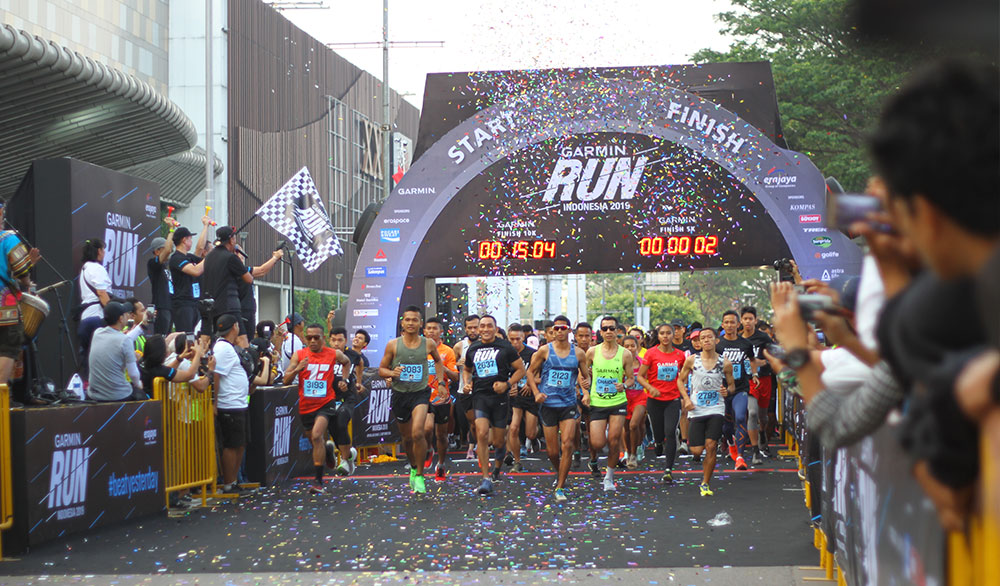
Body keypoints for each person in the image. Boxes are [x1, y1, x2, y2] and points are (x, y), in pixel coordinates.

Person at [379, 306, 445, 495]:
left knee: (418, 432)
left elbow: (438, 361)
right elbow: (381, 369)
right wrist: (392, 373)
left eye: (414, 320)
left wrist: (440, 382)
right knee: (407, 438)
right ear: (402, 322)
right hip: (400, 394)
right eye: (407, 320)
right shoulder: (393, 345)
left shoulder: (428, 344)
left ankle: (421, 476)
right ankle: (414, 466)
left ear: (420, 324)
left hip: (420, 393)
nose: (410, 323)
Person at [283, 323, 354, 493]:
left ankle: (318, 482)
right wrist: (297, 370)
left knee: (316, 436)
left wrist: (346, 380)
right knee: (315, 440)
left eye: (317, 337)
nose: (313, 341)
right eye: (309, 338)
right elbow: (286, 379)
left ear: (323, 338)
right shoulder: (299, 355)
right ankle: (328, 452)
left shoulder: (332, 353)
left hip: (326, 403)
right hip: (306, 405)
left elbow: (346, 362)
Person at [526, 315, 589, 502]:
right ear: (552, 331)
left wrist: (585, 392)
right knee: (553, 452)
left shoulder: (578, 354)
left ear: (569, 331)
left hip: (568, 404)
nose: (560, 331)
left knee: (567, 443)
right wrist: (536, 392)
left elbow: (585, 377)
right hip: (548, 404)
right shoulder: (544, 351)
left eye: (563, 328)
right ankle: (560, 470)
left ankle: (560, 486)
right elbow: (530, 372)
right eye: (556, 328)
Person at [462, 314, 525, 496]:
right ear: (479, 329)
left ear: (496, 329)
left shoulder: (505, 347)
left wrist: (507, 384)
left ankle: (497, 467)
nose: (485, 329)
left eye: (490, 326)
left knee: (498, 441)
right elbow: (467, 368)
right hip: (480, 395)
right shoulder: (473, 348)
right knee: (481, 433)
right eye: (482, 326)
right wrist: (467, 382)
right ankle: (485, 478)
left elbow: (521, 370)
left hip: (500, 398)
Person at [677, 328, 734, 496]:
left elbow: (731, 385)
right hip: (696, 408)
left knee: (711, 446)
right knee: (696, 450)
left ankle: (705, 483)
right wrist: (687, 399)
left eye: (710, 337)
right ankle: (699, 456)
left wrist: (727, 391)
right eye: (703, 338)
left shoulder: (725, 362)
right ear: (699, 343)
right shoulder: (691, 360)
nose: (707, 340)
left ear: (716, 340)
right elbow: (680, 381)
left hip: (716, 407)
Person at [585, 316, 635, 492]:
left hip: (617, 402)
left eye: (611, 328)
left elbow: (631, 378)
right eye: (605, 329)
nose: (608, 332)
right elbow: (582, 372)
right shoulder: (592, 352)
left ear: (617, 332)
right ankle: (604, 436)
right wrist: (585, 389)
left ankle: (609, 477)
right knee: (597, 443)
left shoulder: (625, 354)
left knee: (614, 441)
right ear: (600, 332)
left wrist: (624, 385)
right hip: (597, 402)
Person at [636, 323, 687, 483]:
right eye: (662, 333)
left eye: (668, 333)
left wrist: (683, 393)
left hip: (672, 399)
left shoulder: (680, 355)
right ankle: (658, 443)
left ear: (674, 335)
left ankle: (668, 469)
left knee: (670, 432)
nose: (665, 336)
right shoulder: (651, 354)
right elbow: (640, 376)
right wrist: (650, 388)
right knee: (659, 433)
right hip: (655, 400)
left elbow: (683, 376)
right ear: (658, 336)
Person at [213, 314, 253, 494]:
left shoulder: (228, 347)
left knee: (240, 443)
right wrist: (215, 402)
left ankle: (234, 480)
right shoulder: (222, 348)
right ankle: (229, 483)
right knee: (232, 444)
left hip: (239, 403)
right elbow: (216, 374)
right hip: (228, 404)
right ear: (234, 327)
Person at [0, 201, 37, 388]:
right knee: (7, 349)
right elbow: (22, 273)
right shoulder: (8, 238)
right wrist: (28, 273)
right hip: (4, 309)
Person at [716, 310, 756, 471]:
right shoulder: (718, 345)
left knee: (740, 417)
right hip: (722, 390)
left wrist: (755, 374)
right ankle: (731, 443)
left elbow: (751, 361)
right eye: (727, 322)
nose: (730, 325)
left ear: (738, 324)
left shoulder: (745, 344)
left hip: (740, 388)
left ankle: (740, 456)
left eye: (733, 322)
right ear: (723, 324)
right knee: (725, 426)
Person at [203, 226, 253, 347]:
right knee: (241, 340)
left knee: (212, 341)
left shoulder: (209, 257)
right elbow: (248, 279)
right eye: (234, 238)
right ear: (231, 240)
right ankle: (244, 365)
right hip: (229, 305)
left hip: (212, 305)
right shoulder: (231, 258)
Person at [421, 317, 457, 480]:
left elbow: (455, 376)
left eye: (435, 328)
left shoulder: (447, 351)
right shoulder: (419, 350)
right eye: (428, 328)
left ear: (441, 332)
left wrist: (440, 367)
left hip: (442, 398)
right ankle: (428, 448)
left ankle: (441, 464)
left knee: (441, 435)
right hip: (424, 396)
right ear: (424, 331)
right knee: (427, 429)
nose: (431, 331)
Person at [87, 302, 142, 402]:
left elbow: (117, 341)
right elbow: (133, 374)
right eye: (126, 314)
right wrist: (139, 384)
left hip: (94, 395)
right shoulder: (125, 340)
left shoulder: (97, 333)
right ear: (121, 319)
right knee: (143, 395)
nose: (128, 316)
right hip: (117, 395)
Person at [740, 306, 774, 463]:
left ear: (755, 320)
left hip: (764, 379)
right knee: (752, 413)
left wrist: (763, 362)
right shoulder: (739, 339)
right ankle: (755, 452)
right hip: (748, 381)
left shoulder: (764, 338)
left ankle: (762, 434)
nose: (747, 322)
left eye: (750, 319)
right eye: (745, 319)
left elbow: (775, 356)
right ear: (741, 320)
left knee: (762, 416)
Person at [168, 218, 211, 333]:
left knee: (192, 334)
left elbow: (200, 248)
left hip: (194, 303)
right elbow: (196, 271)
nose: (192, 242)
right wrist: (211, 256)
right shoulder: (176, 258)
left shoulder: (189, 257)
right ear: (184, 240)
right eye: (190, 239)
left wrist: (206, 226)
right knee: (185, 336)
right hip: (183, 304)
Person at [77, 238, 112, 379]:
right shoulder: (97, 268)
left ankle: (88, 388)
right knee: (100, 357)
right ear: (99, 251)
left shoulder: (85, 268)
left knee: (87, 357)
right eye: (104, 249)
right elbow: (102, 293)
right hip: (97, 318)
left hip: (85, 318)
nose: (104, 252)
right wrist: (113, 314)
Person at [506, 323, 538, 472]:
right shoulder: (506, 354)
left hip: (530, 396)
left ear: (523, 338)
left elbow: (540, 376)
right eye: (512, 339)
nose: (515, 343)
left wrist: (531, 384)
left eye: (518, 339)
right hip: (516, 397)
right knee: (513, 428)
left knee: (530, 433)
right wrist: (510, 385)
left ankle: (534, 438)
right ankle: (517, 462)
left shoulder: (532, 354)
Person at [236, 244, 282, 342]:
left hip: (246, 310)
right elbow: (261, 271)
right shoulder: (239, 270)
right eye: (240, 253)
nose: (242, 256)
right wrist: (275, 258)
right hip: (243, 311)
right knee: (245, 341)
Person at [139, 335, 209, 396]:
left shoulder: (141, 363)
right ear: (160, 354)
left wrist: (180, 358)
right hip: (153, 407)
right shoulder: (159, 370)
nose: (168, 351)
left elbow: (167, 370)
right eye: (166, 348)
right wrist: (198, 354)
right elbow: (190, 375)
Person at [452, 314, 480, 460]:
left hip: (482, 390)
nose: (473, 330)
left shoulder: (486, 344)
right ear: (465, 329)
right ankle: (473, 444)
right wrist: (457, 364)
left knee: (479, 421)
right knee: (472, 422)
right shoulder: (459, 346)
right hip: (464, 389)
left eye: (476, 327)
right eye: (470, 328)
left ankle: (473, 447)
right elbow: (450, 366)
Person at [622, 335, 647, 468]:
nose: (630, 349)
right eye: (627, 346)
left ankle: (633, 453)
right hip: (624, 398)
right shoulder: (619, 363)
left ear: (638, 347)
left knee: (634, 425)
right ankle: (628, 451)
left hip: (640, 397)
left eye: (633, 346)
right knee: (626, 428)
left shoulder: (643, 362)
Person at [572, 321, 593, 469]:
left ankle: (593, 459)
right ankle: (576, 452)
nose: (584, 339)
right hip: (574, 394)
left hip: (595, 395)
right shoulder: (569, 352)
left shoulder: (597, 352)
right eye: (581, 336)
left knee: (593, 429)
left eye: (587, 336)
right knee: (575, 423)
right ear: (575, 336)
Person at [146, 236, 174, 335]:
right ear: (157, 251)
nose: (169, 251)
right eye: (164, 248)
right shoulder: (153, 263)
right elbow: (168, 250)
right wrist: (171, 230)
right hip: (161, 306)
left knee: (169, 337)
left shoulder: (167, 266)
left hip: (170, 306)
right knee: (161, 336)